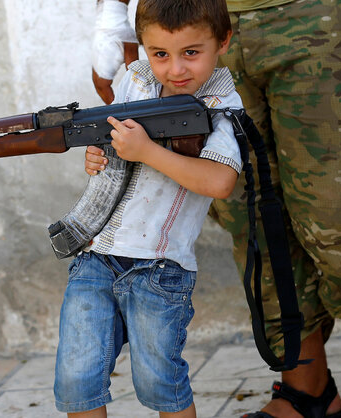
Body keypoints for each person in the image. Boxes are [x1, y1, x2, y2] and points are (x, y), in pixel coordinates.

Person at [86, 1, 341, 417]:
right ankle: (306, 390)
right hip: (199, 27)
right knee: (251, 218)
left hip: (316, 15)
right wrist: (112, 21)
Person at [53, 1, 243, 417]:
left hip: (160, 269)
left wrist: (148, 151)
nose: (175, 69)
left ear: (222, 42)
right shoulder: (134, 80)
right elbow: (112, 142)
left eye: (191, 53)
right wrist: (97, 156)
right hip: (95, 257)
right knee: (76, 378)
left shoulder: (221, 106)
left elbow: (220, 181)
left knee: (160, 383)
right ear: (143, 48)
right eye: (160, 54)